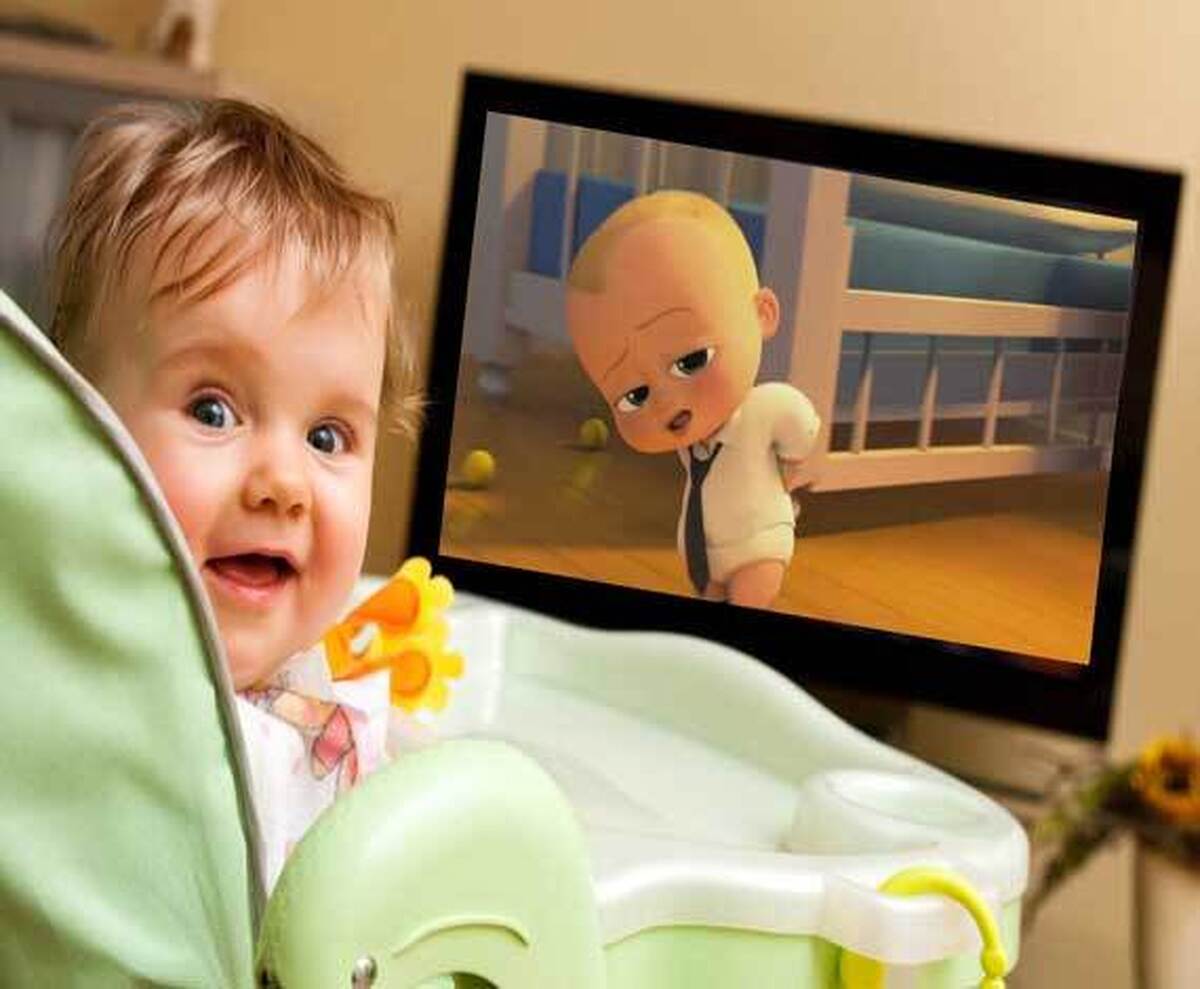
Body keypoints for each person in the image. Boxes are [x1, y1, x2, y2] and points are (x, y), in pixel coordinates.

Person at [46, 98, 417, 887]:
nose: (283, 484)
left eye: (328, 437)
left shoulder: (331, 692)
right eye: (213, 411)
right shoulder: (62, 701)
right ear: (78, 426)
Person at [565, 190, 821, 610]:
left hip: (757, 542)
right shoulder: (692, 443)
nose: (667, 403)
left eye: (691, 361)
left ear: (762, 314)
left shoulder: (767, 407)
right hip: (703, 553)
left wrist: (789, 472)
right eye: (634, 396)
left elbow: (800, 427)